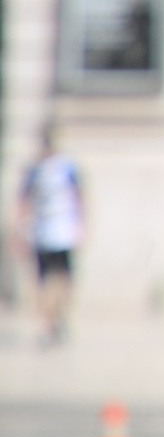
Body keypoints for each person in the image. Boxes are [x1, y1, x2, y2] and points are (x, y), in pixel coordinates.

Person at [16, 123, 84, 347]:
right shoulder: (35, 169)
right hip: (42, 232)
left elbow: (79, 197)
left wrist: (82, 225)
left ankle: (58, 317)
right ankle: (46, 322)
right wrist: (19, 231)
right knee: (44, 281)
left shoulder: (66, 168)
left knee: (63, 280)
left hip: (63, 231)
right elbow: (23, 201)